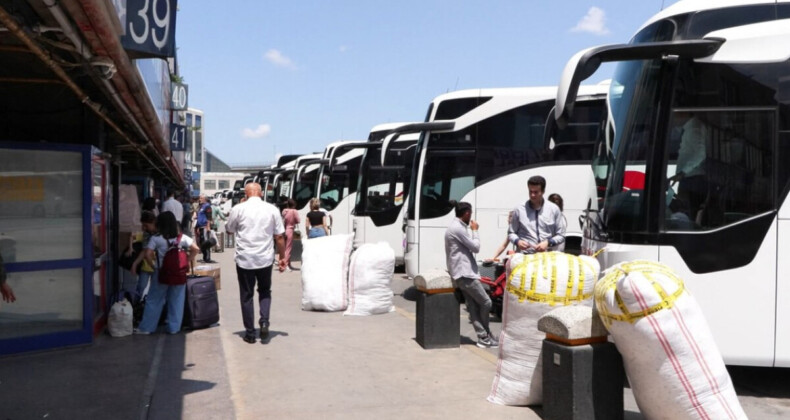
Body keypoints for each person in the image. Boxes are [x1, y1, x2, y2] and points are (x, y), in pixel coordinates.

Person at [225, 182, 287, 344]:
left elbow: (229, 230)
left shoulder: (238, 209)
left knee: (247, 296)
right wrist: (282, 258)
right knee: (265, 291)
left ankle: (250, 333)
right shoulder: (272, 209)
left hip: (245, 259)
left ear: (246, 195)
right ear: (260, 193)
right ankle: (264, 321)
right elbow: (279, 236)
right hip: (265, 259)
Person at [134, 212, 199, 335]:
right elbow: (196, 249)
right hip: (178, 273)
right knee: (177, 300)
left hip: (161, 272)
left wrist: (154, 266)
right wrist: (187, 261)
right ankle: (174, 328)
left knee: (154, 300)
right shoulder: (182, 238)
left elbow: (147, 254)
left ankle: (147, 327)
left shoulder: (156, 238)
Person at [445, 201, 498, 349]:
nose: (471, 218)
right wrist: (475, 230)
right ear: (467, 213)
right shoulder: (458, 229)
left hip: (462, 273)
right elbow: (476, 247)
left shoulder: (456, 227)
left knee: (473, 306)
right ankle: (485, 334)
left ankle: (484, 337)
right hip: (465, 274)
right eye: (471, 214)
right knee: (486, 302)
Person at [508, 175, 566, 253]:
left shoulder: (554, 209)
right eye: (530, 191)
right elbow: (511, 233)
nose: (532, 195)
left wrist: (548, 242)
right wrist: (518, 241)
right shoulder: (519, 210)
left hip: (546, 255)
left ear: (543, 191)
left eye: (536, 192)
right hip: (525, 255)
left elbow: (561, 235)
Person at [130, 211, 157, 302]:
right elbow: (144, 251)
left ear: (153, 222)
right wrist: (135, 263)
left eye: (146, 225)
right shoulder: (146, 234)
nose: (144, 228)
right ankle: (136, 306)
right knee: (140, 288)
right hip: (147, 267)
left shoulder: (161, 233)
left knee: (155, 290)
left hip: (158, 267)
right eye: (143, 225)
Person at [281, 199, 300, 271]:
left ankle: (288, 263)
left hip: (284, 230)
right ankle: (286, 265)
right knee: (288, 248)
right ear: (294, 205)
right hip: (290, 229)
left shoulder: (284, 211)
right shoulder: (294, 211)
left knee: (285, 248)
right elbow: (298, 220)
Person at [194, 194, 214, 263]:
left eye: (201, 198)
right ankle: (205, 256)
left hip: (205, 227)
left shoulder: (207, 206)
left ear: (205, 199)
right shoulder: (200, 207)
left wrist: (208, 226)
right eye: (200, 198)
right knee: (202, 242)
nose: (200, 199)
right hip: (200, 227)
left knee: (206, 242)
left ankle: (207, 257)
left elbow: (209, 217)